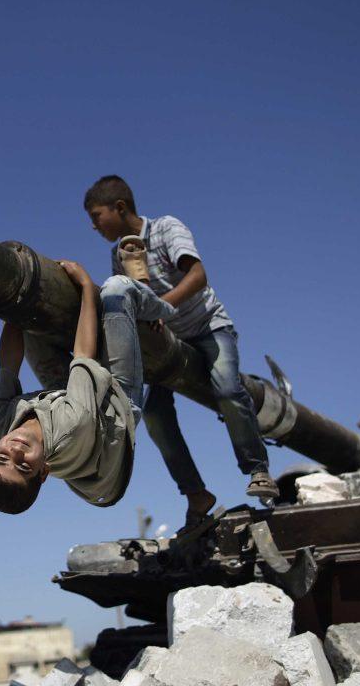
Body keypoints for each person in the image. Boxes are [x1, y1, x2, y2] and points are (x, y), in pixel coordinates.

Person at [83, 175, 280, 507]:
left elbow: (198, 276)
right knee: (155, 415)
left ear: (119, 207)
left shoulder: (165, 228)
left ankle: (258, 469)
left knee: (228, 390)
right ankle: (195, 493)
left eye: (96, 216)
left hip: (207, 327)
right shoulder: (120, 254)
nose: (94, 227)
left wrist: (163, 307)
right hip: (169, 344)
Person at [0, 261, 175, 513]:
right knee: (117, 291)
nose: (16, 451)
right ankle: (167, 308)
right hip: (115, 401)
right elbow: (84, 354)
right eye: (24, 466)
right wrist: (86, 287)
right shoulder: (71, 427)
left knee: (30, 321)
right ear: (44, 472)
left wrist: (14, 303)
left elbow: (8, 364)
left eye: (3, 457)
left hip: (65, 397)